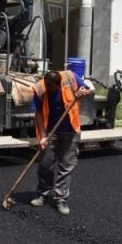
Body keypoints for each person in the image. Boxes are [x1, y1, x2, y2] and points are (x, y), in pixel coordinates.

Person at [30, 69, 93, 215]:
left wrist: (83, 91)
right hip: (50, 131)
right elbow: (38, 113)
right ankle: (43, 194)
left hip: (70, 130)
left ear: (58, 85)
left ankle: (61, 199)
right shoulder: (39, 89)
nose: (49, 89)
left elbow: (88, 89)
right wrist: (43, 135)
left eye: (52, 88)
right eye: (48, 86)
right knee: (45, 164)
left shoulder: (71, 77)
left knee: (66, 166)